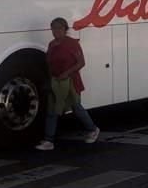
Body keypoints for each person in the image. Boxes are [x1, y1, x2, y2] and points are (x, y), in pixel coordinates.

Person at [36, 17, 100, 151]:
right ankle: (49, 140)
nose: (55, 31)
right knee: (52, 110)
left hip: (70, 81)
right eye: (53, 28)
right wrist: (50, 80)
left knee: (76, 107)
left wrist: (67, 73)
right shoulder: (52, 44)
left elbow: (81, 62)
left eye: (59, 28)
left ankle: (93, 129)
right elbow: (49, 64)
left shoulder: (72, 44)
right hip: (56, 82)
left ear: (65, 29)